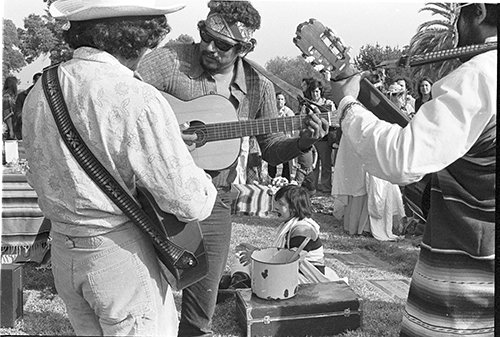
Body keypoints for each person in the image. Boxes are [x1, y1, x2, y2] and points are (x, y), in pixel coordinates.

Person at [22, 1, 218, 336]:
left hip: (65, 253)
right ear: (141, 35)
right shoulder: (138, 96)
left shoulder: (41, 89)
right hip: (118, 258)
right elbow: (189, 202)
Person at [137, 1, 329, 335]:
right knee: (146, 288)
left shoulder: (259, 86)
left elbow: (270, 150)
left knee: (203, 297)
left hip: (216, 198)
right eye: (205, 36)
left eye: (223, 45)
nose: (209, 48)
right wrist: (162, 131)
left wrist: (302, 142)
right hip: (155, 192)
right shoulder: (170, 60)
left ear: (244, 48)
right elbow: (122, 93)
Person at [329, 3, 496, 335]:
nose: (454, 30)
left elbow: (402, 159)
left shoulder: (481, 75)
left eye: (456, 18)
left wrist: (348, 104)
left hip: (470, 275)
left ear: (475, 12)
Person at [227, 184, 343, 287]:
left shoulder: (303, 229)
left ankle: (240, 283)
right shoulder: (292, 224)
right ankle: (238, 281)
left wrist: (256, 255)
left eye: (281, 204)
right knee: (240, 256)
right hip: (291, 271)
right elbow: (280, 255)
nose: (276, 207)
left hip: (305, 277)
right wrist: (257, 251)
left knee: (269, 277)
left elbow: (289, 261)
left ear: (294, 207)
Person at [301, 80, 336, 194]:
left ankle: (326, 187)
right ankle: (313, 187)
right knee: (313, 165)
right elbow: (301, 118)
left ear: (320, 92)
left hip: (325, 138)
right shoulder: (308, 104)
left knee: (326, 164)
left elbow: (335, 117)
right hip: (311, 137)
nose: (315, 94)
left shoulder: (328, 103)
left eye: (316, 91)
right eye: (312, 92)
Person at [267, 92, 295, 182]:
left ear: (285, 101)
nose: (280, 101)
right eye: (278, 99)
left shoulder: (288, 112)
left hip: (284, 138)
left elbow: (293, 125)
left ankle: (286, 179)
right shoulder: (271, 111)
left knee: (286, 161)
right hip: (273, 139)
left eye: (282, 99)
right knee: (271, 159)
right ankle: (271, 178)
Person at [14, 72, 42, 139]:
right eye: (38, 81)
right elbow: (18, 112)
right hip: (27, 128)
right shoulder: (22, 96)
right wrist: (28, 118)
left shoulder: (48, 95)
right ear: (34, 82)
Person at [3, 76, 18, 140]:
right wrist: (11, 130)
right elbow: (7, 114)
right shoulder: (7, 96)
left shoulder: (11, 95)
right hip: (9, 128)